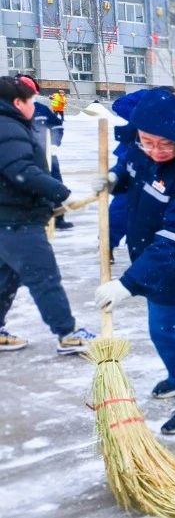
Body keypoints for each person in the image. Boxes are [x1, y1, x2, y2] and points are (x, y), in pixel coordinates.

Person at [92, 88, 175, 435]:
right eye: (147, 141)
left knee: (167, 331)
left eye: (164, 144)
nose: (155, 150)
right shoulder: (144, 151)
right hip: (156, 257)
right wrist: (114, 179)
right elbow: (131, 169)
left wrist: (128, 283)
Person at [0, 76, 96, 354]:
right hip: (16, 220)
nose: (34, 106)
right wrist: (62, 193)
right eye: (31, 101)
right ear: (18, 102)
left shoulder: (9, 123)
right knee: (44, 277)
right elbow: (21, 171)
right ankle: (67, 334)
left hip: (8, 218)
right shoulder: (7, 125)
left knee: (6, 277)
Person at [107, 83, 175, 264]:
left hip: (161, 166)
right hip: (134, 157)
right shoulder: (150, 97)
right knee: (123, 204)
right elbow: (119, 105)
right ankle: (107, 244)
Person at [19, 75, 72, 230]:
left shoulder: (41, 109)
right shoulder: (13, 109)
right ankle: (31, 218)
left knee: (54, 184)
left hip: (48, 154)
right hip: (25, 156)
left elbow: (57, 126)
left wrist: (55, 142)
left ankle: (58, 218)